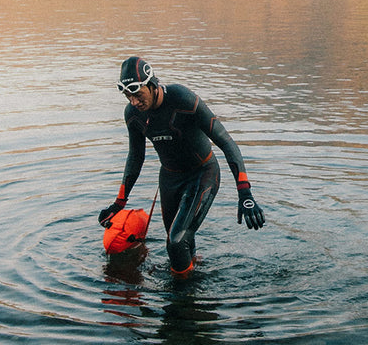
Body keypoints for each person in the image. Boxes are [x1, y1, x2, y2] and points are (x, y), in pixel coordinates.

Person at [99, 56, 265, 277]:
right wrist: (119, 201)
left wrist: (244, 191)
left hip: (202, 173)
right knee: (178, 244)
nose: (134, 102)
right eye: (128, 96)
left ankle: (183, 297)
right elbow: (135, 157)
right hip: (169, 179)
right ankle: (191, 280)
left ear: (152, 84)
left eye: (138, 95)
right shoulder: (133, 115)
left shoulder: (183, 99)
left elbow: (226, 141)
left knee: (176, 242)